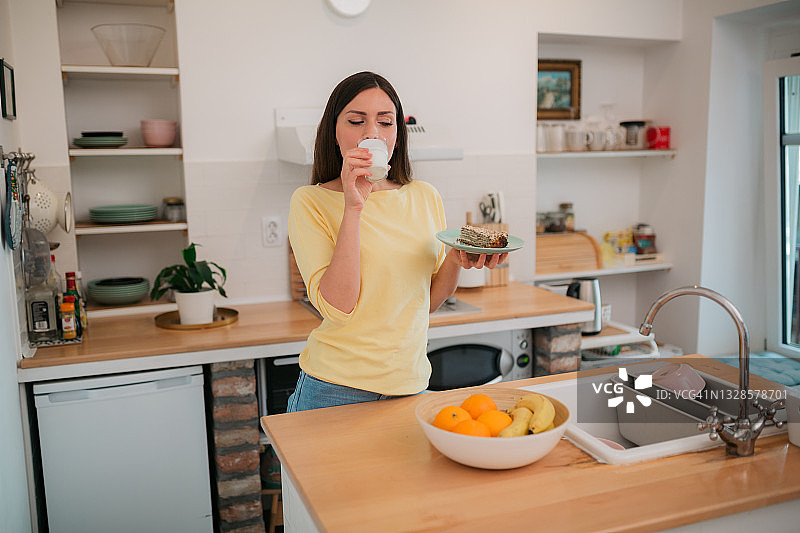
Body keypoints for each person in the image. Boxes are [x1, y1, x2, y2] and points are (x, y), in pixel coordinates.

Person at [287, 71, 507, 412]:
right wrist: (354, 206)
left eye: (385, 122)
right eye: (357, 120)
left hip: (410, 386)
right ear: (333, 129)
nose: (371, 133)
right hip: (333, 390)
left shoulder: (424, 196)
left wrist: (455, 259)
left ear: (397, 135)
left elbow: (427, 301)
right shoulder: (310, 201)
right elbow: (337, 309)